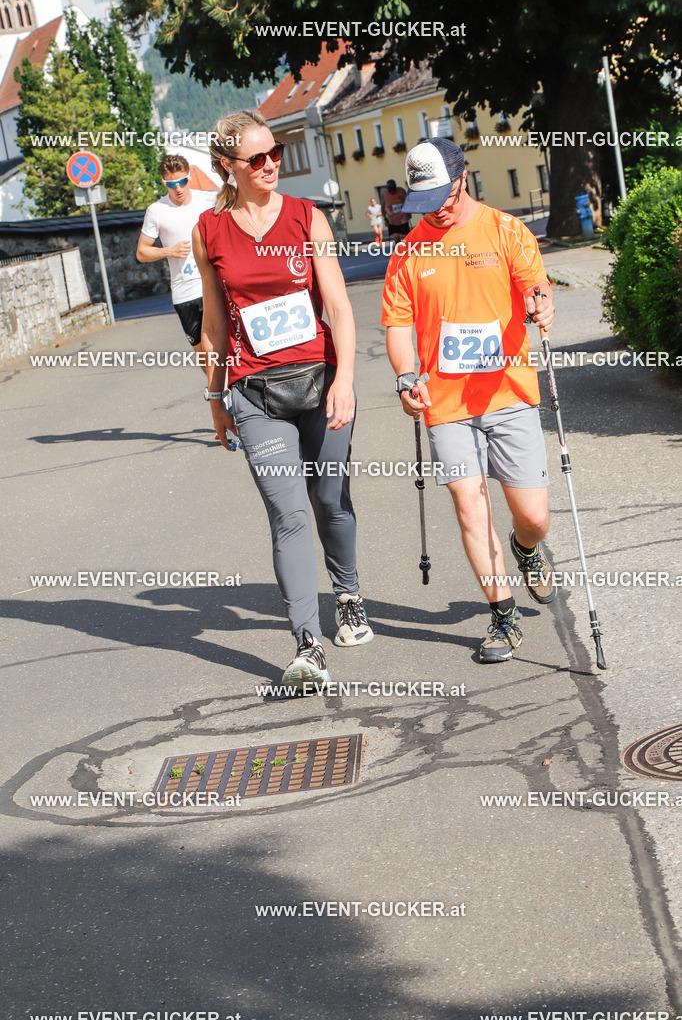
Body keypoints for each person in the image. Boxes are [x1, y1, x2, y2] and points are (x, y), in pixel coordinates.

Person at [193, 109, 373, 691]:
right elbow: (215, 326)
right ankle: (306, 643)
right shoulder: (208, 231)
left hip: (321, 382)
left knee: (331, 501)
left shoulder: (306, 217)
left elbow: (339, 307)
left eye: (276, 154)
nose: (272, 165)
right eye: (258, 159)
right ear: (228, 167)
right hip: (254, 391)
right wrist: (216, 398)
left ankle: (347, 594)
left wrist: (345, 378)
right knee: (290, 516)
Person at [382, 137, 556, 664]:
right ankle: (504, 618)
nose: (436, 210)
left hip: (509, 393)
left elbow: (537, 287)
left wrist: (543, 307)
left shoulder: (506, 231)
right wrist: (406, 377)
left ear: (463, 179)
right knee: (468, 504)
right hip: (447, 404)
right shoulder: (409, 252)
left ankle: (526, 549)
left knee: (534, 515)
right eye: (424, 201)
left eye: (443, 196)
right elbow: (397, 324)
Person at [136, 154, 217, 375]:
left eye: (182, 181)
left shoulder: (209, 200)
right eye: (171, 184)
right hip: (186, 293)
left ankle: (237, 395)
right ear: (164, 182)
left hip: (215, 285)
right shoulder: (157, 211)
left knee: (227, 347)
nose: (178, 188)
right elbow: (142, 252)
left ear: (189, 177)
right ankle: (221, 397)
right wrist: (169, 251)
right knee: (204, 357)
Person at [380, 178, 411, 242]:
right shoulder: (385, 194)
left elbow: (408, 201)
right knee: (396, 237)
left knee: (404, 237)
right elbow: (383, 207)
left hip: (403, 218)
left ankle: (407, 249)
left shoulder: (401, 191)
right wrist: (385, 219)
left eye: (392, 189)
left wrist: (409, 213)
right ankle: (398, 250)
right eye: (389, 190)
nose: (391, 191)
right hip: (392, 220)